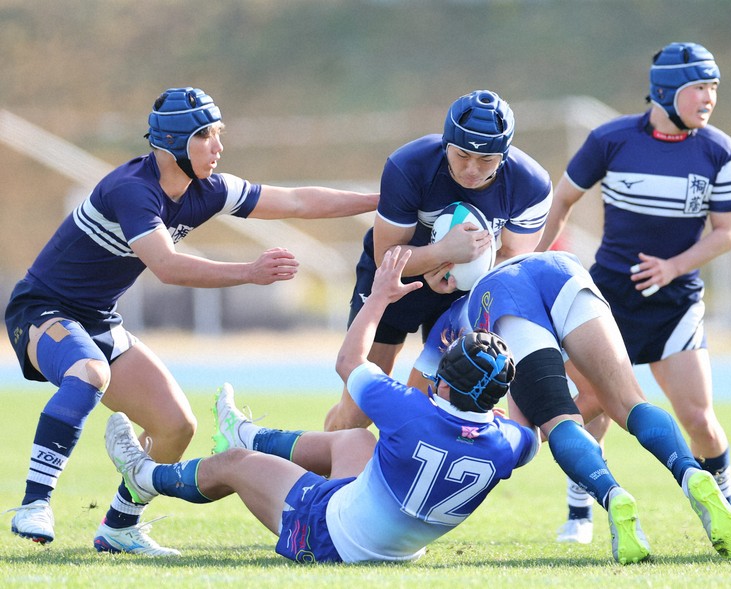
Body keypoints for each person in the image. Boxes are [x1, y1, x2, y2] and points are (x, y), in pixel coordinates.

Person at [3, 87, 378, 556]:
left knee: (176, 426)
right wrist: (249, 272)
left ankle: (119, 527)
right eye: (204, 134)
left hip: (99, 319)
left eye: (218, 132)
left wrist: (379, 201)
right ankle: (33, 503)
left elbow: (297, 201)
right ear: (171, 143)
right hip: (42, 309)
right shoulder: (131, 190)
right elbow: (167, 266)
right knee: (89, 374)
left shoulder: (208, 191)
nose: (217, 145)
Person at [103, 246, 539, 563]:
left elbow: (349, 361)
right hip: (395, 547)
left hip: (329, 534)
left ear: (443, 384)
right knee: (352, 440)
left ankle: (145, 476)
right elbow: (529, 428)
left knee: (235, 463)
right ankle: (246, 431)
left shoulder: (410, 411)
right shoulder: (509, 443)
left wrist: (381, 297)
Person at [533, 42, 731, 543]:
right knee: (591, 403)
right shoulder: (611, 140)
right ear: (666, 90)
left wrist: (673, 268)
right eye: (698, 88)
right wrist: (539, 262)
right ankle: (580, 515)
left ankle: (726, 507)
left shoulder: (720, 150)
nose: (709, 98)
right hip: (609, 301)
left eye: (713, 88)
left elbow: (725, 233)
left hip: (675, 303)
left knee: (699, 419)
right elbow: (563, 200)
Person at [416, 250, 731, 562]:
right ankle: (690, 471)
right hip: (561, 269)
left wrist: (497, 432)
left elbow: (413, 401)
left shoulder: (453, 320)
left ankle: (612, 493)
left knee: (559, 423)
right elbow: (592, 395)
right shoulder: (513, 237)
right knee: (631, 402)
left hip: (498, 297)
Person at [324, 89, 553, 432]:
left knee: (446, 407)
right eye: (462, 155)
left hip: (465, 293)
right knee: (359, 408)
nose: (472, 169)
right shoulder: (409, 166)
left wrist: (458, 275)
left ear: (504, 155)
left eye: (487, 160)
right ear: (446, 143)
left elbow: (511, 263)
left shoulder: (530, 184)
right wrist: (442, 254)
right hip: (395, 282)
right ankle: (325, 475)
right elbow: (386, 256)